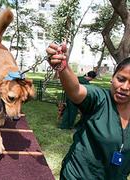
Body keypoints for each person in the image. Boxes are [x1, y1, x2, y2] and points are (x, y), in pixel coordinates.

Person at [46, 42, 130, 179]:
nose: (125, 87)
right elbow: (76, 90)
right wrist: (63, 67)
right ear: (112, 79)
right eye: (121, 79)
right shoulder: (100, 99)